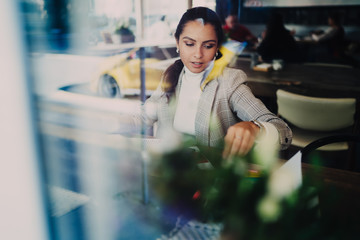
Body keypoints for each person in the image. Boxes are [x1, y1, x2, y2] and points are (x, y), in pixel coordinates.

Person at [129, 7, 292, 158]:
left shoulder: (229, 82)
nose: (198, 54)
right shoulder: (172, 74)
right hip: (170, 174)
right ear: (177, 42)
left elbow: (282, 131)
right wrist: (116, 122)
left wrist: (255, 128)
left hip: (212, 179)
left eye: (208, 46)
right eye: (190, 44)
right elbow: (145, 115)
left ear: (216, 49)